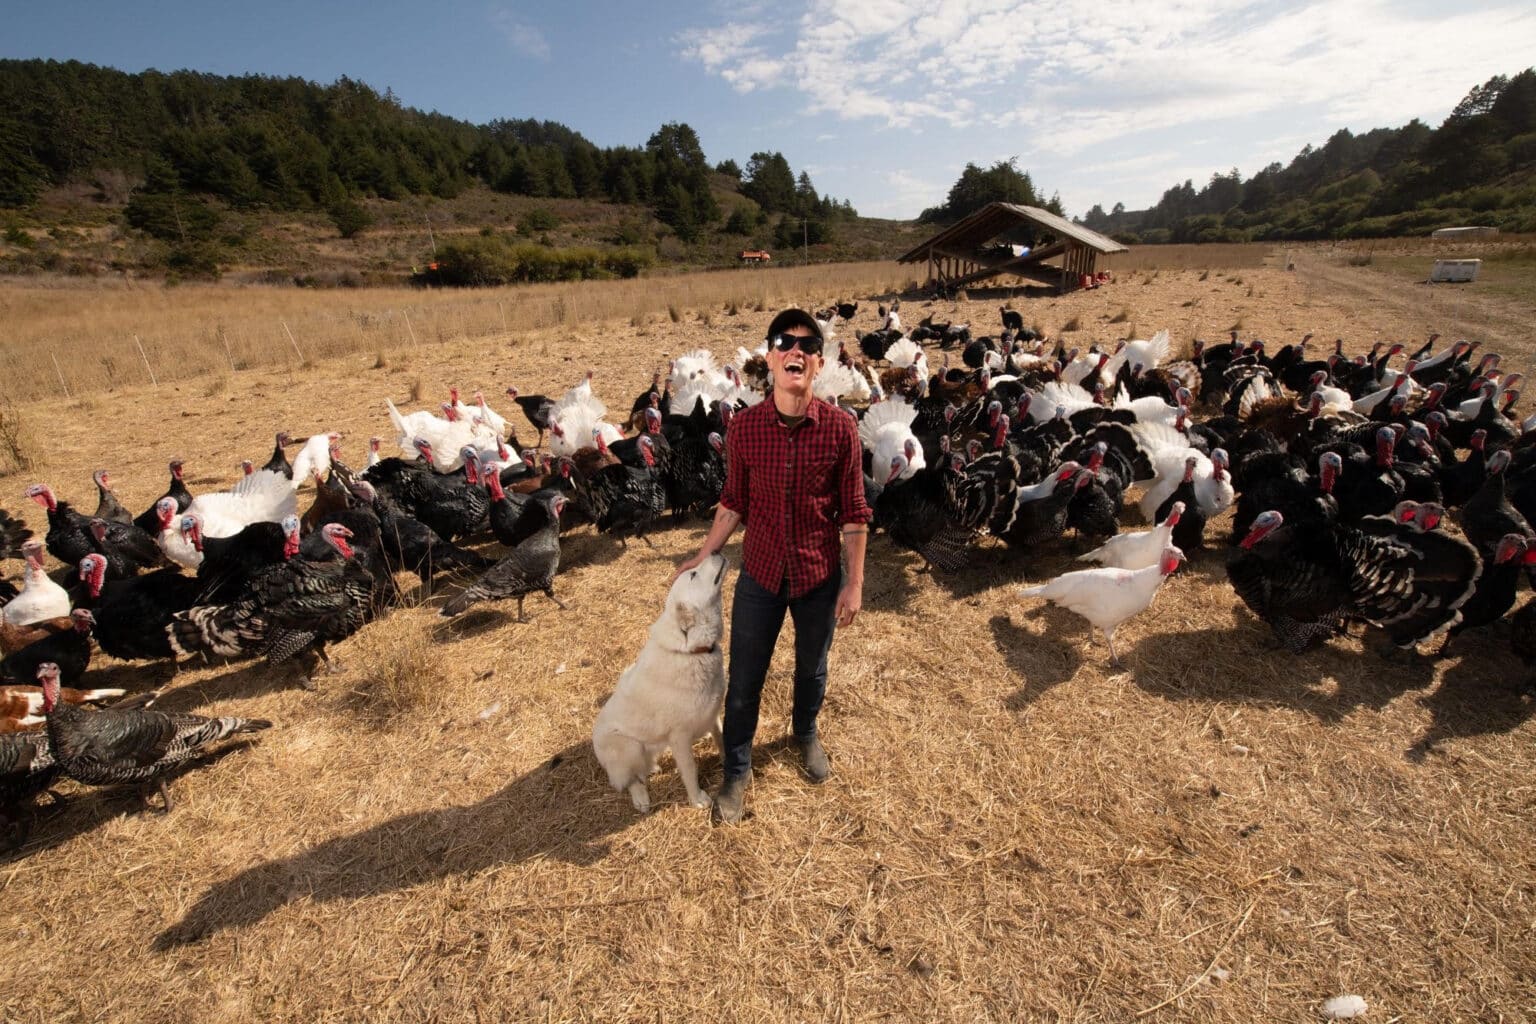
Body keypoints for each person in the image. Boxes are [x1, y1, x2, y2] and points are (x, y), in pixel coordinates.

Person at [674, 308, 871, 823]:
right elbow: (733, 500)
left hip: (817, 576)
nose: (795, 351)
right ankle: (737, 769)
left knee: (812, 667)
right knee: (745, 679)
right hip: (760, 574)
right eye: (785, 342)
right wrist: (704, 552)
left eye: (807, 345)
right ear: (769, 357)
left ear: (818, 362)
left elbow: (854, 514)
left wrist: (854, 585)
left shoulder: (841, 429)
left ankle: (804, 733)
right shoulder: (744, 428)